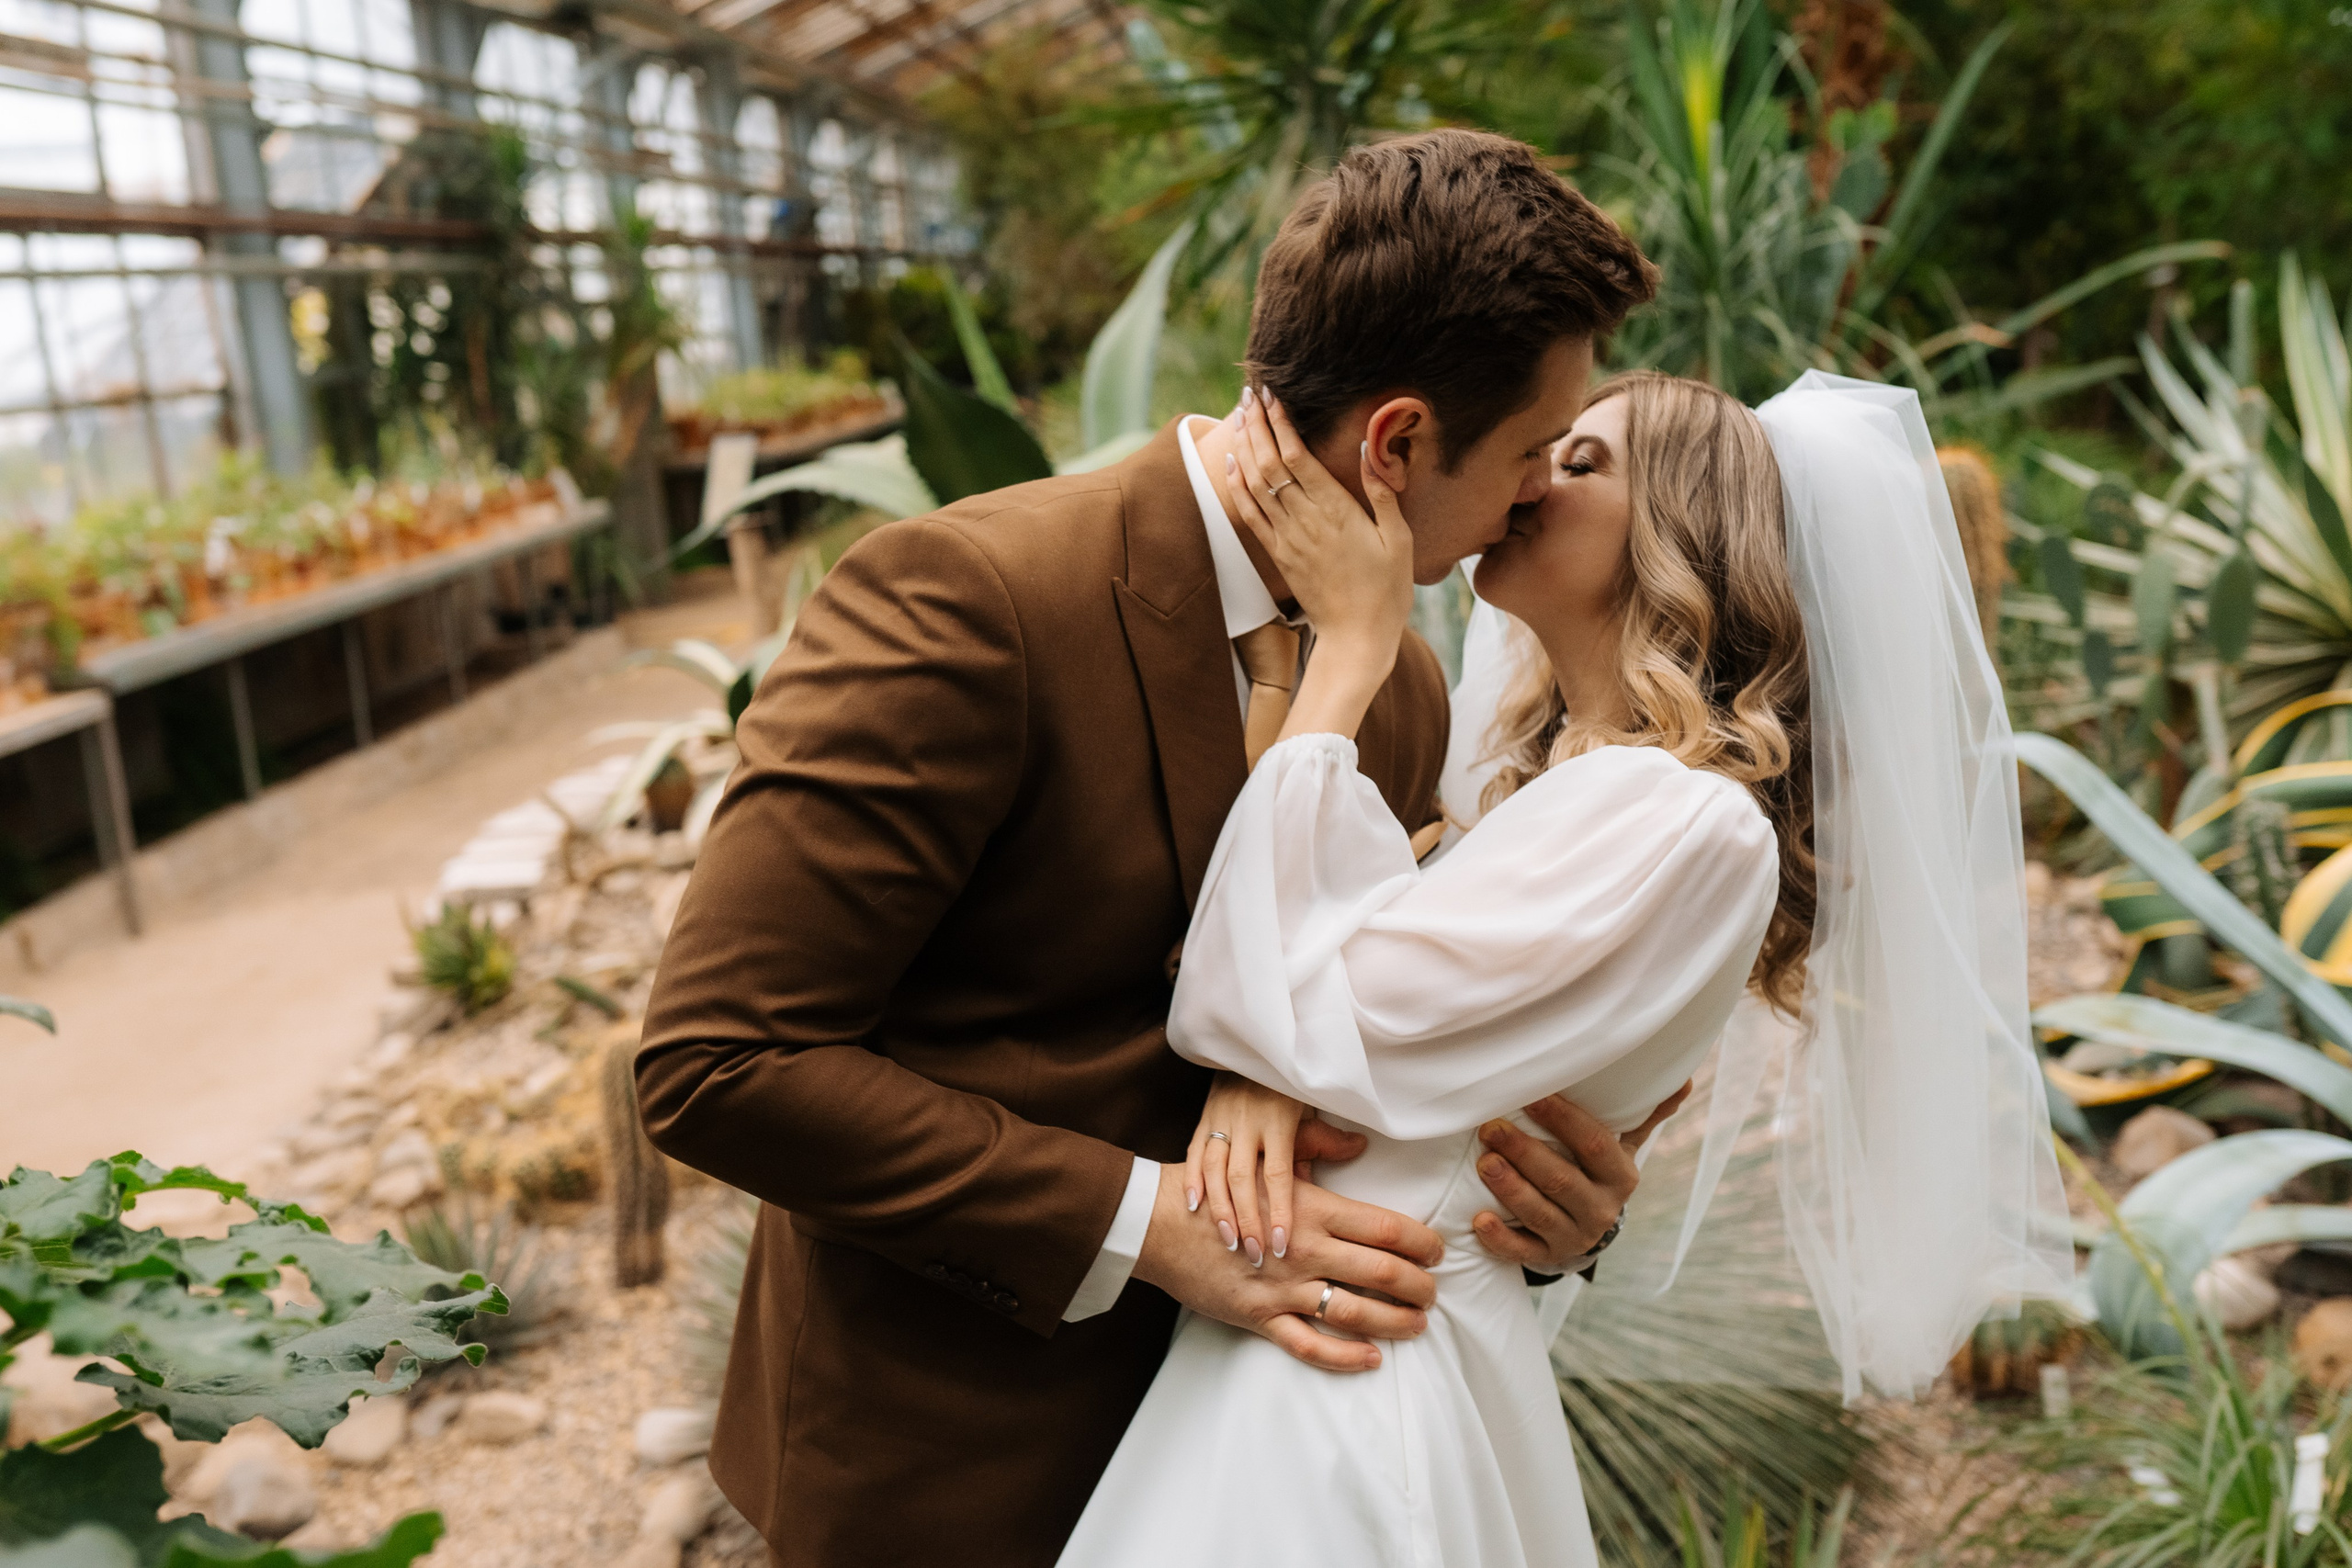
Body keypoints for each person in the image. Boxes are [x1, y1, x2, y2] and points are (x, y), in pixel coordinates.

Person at [633, 129, 1664, 1567]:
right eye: (1527, 456)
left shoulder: (1403, 687)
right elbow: (719, 1062)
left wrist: (1548, 1205)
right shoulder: (967, 600)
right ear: (1400, 442)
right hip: (957, 1475)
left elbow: (1366, 1035)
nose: (1536, 502)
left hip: (1273, 1481)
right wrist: (1149, 1223)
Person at [1055, 371, 2073, 1565]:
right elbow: (1325, 1023)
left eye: (1579, 463)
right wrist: (1274, 1061)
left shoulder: (1684, 821)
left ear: (1681, 537)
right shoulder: (1557, 795)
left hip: (1354, 1393)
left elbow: (1290, 1019)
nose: (1531, 479)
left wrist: (1350, 649)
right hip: (1314, 1343)